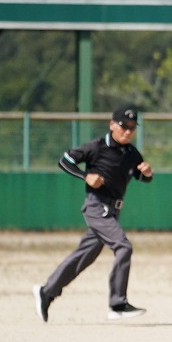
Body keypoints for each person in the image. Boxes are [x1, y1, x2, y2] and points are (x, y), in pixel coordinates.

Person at [32, 106, 153, 322]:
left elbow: (141, 177)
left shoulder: (131, 153)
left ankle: (47, 291)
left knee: (84, 256)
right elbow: (65, 160)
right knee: (123, 247)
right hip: (97, 206)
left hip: (113, 211)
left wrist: (147, 173)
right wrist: (85, 176)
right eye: (124, 126)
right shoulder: (96, 147)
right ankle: (117, 303)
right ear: (112, 124)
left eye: (132, 127)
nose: (128, 131)